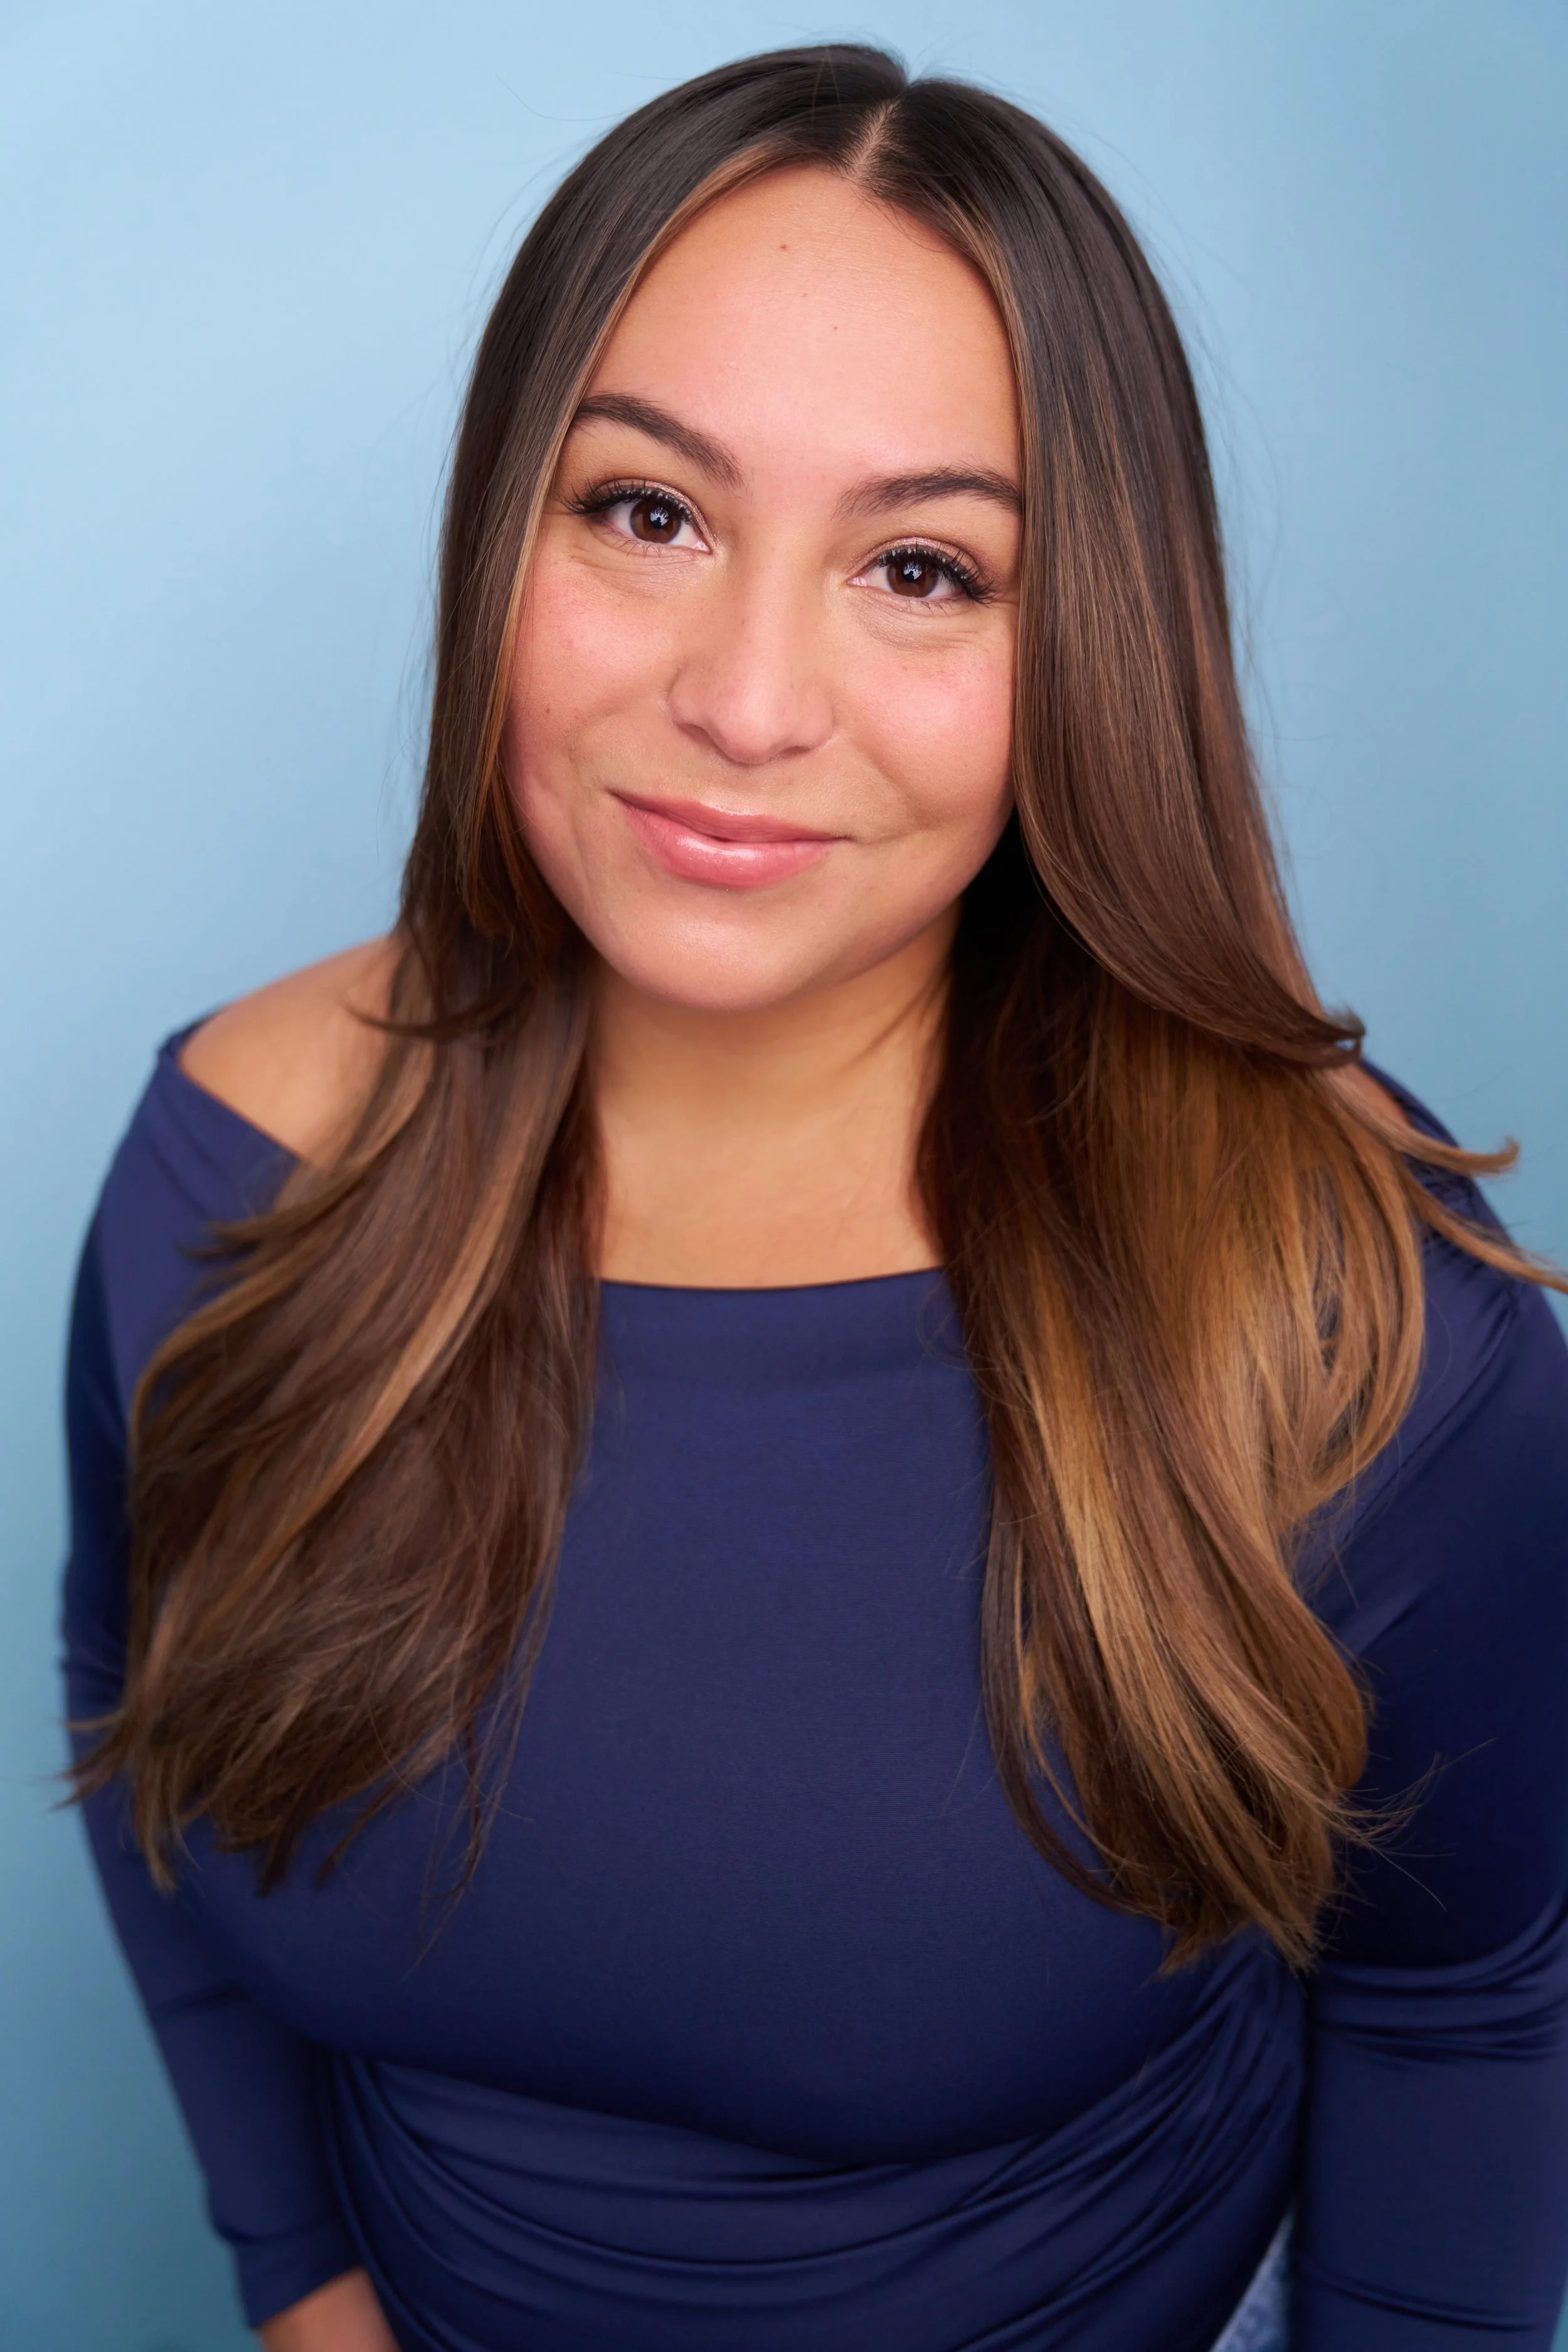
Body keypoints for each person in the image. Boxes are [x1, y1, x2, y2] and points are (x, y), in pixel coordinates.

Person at [62, 43, 1568, 2352]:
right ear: (505, 535)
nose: (747, 698)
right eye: (646, 514)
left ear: (1086, 657)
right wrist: (306, 2283)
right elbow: (132, 1712)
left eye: (921, 567)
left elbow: (1458, 2003)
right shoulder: (225, 1169)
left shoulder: (1361, 1331)